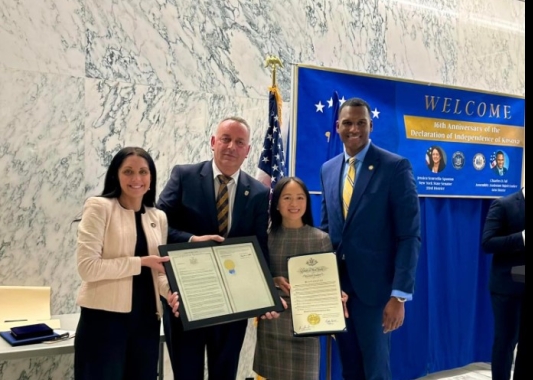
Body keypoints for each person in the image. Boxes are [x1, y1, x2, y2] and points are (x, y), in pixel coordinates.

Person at [156, 116, 284, 380]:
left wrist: (267, 292)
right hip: (188, 298)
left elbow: (259, 245)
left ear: (248, 151)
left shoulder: (259, 192)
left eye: (239, 142)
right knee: (186, 373)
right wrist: (192, 240)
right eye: (225, 139)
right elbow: (156, 224)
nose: (231, 147)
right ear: (213, 142)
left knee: (224, 374)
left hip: (233, 304)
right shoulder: (184, 176)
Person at [319, 97, 421, 380]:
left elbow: (409, 235)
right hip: (339, 291)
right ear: (338, 126)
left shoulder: (395, 167)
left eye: (361, 122)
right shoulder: (327, 169)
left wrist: (399, 295)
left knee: (376, 370)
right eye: (348, 123)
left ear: (371, 125)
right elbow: (327, 232)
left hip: (376, 294)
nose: (354, 129)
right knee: (350, 368)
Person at [73, 147, 171, 380]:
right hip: (104, 323)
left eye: (143, 172)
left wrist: (173, 294)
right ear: (116, 175)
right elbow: (87, 267)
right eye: (128, 171)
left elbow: (159, 272)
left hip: (147, 323)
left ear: (151, 177)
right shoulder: (99, 207)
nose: (136, 178)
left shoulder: (158, 217)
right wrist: (140, 262)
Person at [253, 176, 349, 380]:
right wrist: (272, 281)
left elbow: (327, 282)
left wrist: (336, 295)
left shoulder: (321, 239)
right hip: (273, 325)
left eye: (300, 197)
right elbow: (255, 279)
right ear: (277, 203)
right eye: (287, 198)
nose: (294, 204)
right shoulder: (265, 237)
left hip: (307, 327)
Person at [481, 187, 525, 380]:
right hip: (507, 289)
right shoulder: (504, 204)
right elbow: (488, 242)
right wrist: (522, 238)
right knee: (505, 343)